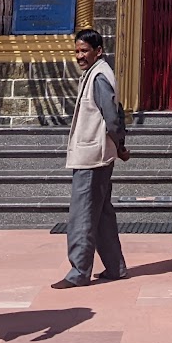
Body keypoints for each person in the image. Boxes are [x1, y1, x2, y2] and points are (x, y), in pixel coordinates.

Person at [53, 27, 130, 289]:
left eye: (84, 50)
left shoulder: (98, 76)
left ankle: (78, 272)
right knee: (101, 213)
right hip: (95, 153)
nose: (79, 56)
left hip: (93, 157)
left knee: (82, 215)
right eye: (77, 51)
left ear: (98, 51)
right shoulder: (96, 74)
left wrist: (120, 144)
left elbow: (112, 116)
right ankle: (115, 267)